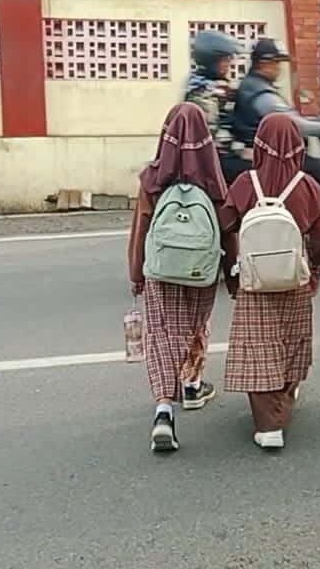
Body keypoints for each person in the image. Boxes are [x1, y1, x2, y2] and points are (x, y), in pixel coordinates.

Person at [128, 102, 237, 452]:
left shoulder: (152, 180)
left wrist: (136, 273)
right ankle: (192, 383)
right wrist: (233, 275)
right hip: (200, 272)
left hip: (162, 270)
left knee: (163, 333)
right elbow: (228, 231)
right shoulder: (213, 181)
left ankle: (164, 410)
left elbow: (140, 230)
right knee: (194, 326)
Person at [218, 113, 320, 450]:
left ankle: (268, 424)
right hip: (294, 279)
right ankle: (285, 397)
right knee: (291, 340)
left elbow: (225, 226)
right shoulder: (308, 187)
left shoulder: (245, 183)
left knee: (259, 347)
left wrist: (233, 272)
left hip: (255, 283)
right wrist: (315, 271)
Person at [226, 37, 320, 251]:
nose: (279, 69)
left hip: (269, 152)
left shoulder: (258, 86)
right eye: (276, 63)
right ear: (264, 63)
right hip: (267, 154)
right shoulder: (259, 92)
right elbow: (290, 123)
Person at [184, 29, 243, 153]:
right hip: (209, 155)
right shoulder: (199, 90)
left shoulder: (217, 84)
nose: (229, 63)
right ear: (211, 60)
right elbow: (211, 133)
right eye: (225, 59)